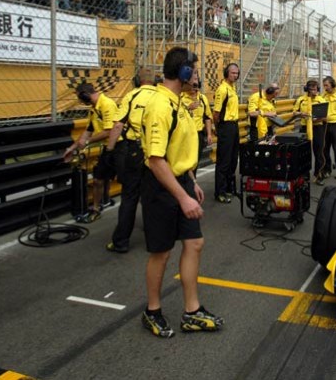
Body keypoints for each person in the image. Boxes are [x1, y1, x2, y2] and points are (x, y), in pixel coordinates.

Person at [140, 47, 224, 338]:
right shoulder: (160, 106)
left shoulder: (180, 103)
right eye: (195, 71)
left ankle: (192, 311)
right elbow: (155, 160)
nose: (198, 77)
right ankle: (152, 311)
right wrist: (182, 196)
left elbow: (178, 150)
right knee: (161, 253)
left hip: (182, 183)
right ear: (184, 73)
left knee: (194, 243)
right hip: (162, 187)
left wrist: (192, 182)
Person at [104, 67, 158, 253]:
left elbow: (118, 124)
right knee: (151, 195)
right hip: (156, 151)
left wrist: (109, 150)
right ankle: (155, 237)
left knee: (129, 196)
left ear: (137, 80)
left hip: (135, 150)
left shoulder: (132, 96)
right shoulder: (160, 96)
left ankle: (121, 241)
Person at [62, 83, 118, 223]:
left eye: (80, 98)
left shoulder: (107, 104)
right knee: (98, 179)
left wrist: (87, 142)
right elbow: (88, 132)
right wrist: (72, 148)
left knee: (129, 182)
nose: (81, 102)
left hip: (120, 147)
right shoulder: (94, 109)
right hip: (107, 149)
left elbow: (109, 131)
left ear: (85, 95)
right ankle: (96, 209)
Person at [213, 63, 240, 203]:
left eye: (236, 73)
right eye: (232, 73)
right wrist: (219, 128)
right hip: (226, 126)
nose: (235, 75)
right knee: (224, 161)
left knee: (233, 159)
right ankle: (220, 192)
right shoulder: (222, 89)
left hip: (234, 125)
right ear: (226, 73)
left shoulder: (232, 88)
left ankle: (230, 188)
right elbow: (216, 113)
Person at [292, 79, 328, 184]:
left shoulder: (321, 100)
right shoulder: (301, 100)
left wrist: (318, 118)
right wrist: (301, 114)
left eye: (315, 89)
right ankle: (304, 175)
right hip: (304, 127)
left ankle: (319, 174)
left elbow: (326, 118)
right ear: (307, 89)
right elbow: (294, 112)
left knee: (319, 152)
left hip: (318, 128)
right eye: (311, 89)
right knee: (304, 152)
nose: (314, 91)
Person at [182, 79, 214, 173]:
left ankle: (193, 181)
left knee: (195, 161)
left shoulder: (202, 98)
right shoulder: (180, 97)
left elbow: (207, 117)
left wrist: (209, 134)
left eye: (195, 86)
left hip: (198, 134)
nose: (193, 89)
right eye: (191, 86)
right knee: (185, 162)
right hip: (185, 134)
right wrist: (188, 108)